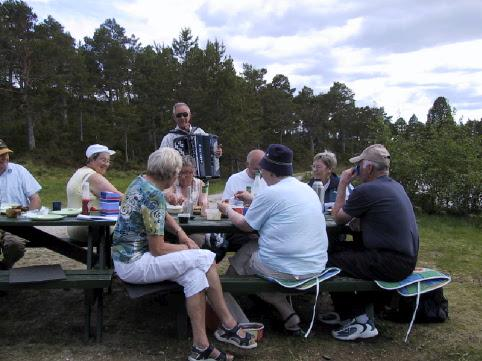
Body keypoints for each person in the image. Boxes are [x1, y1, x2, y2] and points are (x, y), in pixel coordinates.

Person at [111, 147, 256, 360]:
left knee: (195, 275)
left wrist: (182, 234)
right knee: (205, 257)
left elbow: (162, 213)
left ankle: (201, 347)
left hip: (125, 259)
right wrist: (189, 248)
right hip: (135, 263)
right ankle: (228, 324)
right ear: (172, 175)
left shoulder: (140, 182)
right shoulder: (152, 195)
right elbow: (158, 249)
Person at [218, 144, 328, 335]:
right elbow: (281, 207)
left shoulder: (271, 192)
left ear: (269, 171)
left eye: (262, 170)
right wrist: (255, 201)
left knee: (245, 257)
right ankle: (287, 313)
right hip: (315, 265)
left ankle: (226, 299)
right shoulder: (306, 189)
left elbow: (244, 225)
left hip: (285, 269)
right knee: (251, 249)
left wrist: (227, 210)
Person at [327, 144, 419, 341]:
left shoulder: (367, 189)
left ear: (368, 168)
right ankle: (352, 313)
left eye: (358, 166)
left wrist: (342, 184)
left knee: (328, 262)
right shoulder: (395, 185)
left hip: (390, 262)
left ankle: (358, 320)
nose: (356, 170)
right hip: (405, 258)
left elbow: (337, 218)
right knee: (339, 249)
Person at [66, 144, 123, 242]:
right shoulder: (92, 176)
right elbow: (119, 198)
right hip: (89, 228)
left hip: (76, 227)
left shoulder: (80, 172)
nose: (106, 164)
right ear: (92, 159)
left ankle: (106, 257)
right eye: (103, 160)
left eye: (108, 161)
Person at [0, 139, 40, 269]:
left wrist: (27, 220)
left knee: (15, 245)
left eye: (5, 154)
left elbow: (35, 199)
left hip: (17, 222)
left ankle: (5, 267)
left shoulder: (19, 171)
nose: (3, 158)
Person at [167, 155, 208, 247]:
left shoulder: (201, 184)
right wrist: (172, 197)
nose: (183, 176)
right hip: (174, 225)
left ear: (193, 172)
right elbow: (167, 193)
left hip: (195, 226)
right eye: (180, 172)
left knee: (196, 239)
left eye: (187, 172)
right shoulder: (173, 183)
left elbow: (204, 205)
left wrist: (194, 209)